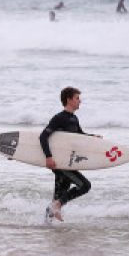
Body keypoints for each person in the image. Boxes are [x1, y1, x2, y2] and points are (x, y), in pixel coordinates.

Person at [40, 86, 95, 223]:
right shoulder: (59, 118)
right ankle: (57, 206)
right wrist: (48, 157)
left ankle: (46, 227)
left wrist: (93, 137)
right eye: (77, 98)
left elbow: (79, 136)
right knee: (84, 185)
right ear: (69, 100)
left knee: (57, 196)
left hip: (68, 162)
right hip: (60, 164)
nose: (80, 101)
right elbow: (43, 137)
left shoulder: (74, 118)